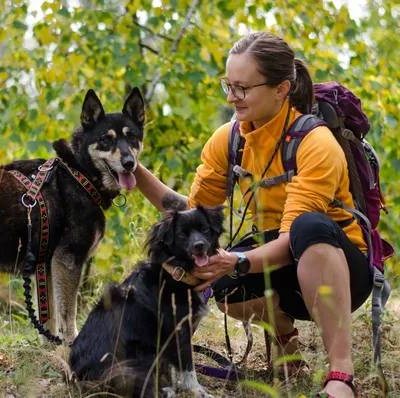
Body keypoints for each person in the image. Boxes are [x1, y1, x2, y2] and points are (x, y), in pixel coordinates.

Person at [133, 32, 370, 398]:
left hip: (339, 269)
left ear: (281, 89)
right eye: (229, 85)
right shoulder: (228, 140)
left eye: (242, 88)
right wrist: (134, 171)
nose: (231, 97)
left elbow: (295, 238)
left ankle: (341, 375)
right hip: (284, 264)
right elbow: (193, 213)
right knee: (225, 287)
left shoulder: (316, 144)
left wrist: (237, 260)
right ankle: (286, 345)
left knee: (308, 226)